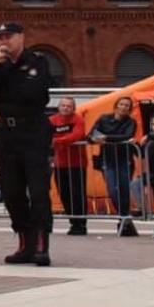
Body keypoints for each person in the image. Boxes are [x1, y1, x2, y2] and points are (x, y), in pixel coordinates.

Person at [0, 21, 55, 266]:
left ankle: (42, 244)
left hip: (33, 132)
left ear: (21, 37)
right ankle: (25, 243)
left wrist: (6, 78)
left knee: (39, 191)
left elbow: (31, 93)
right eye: (0, 38)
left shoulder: (37, 61)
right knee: (12, 193)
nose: (3, 42)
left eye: (8, 37)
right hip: (8, 135)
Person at [89, 96, 140, 237]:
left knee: (124, 191)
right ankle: (125, 219)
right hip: (107, 160)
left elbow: (127, 136)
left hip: (125, 160)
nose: (123, 107)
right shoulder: (103, 118)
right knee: (112, 191)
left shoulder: (131, 122)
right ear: (116, 105)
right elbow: (91, 135)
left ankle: (123, 221)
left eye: (127, 105)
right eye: (121, 104)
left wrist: (105, 137)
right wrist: (98, 138)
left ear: (129, 109)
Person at [48, 97, 90, 236]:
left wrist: (57, 141)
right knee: (64, 194)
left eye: (69, 106)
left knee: (78, 194)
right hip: (60, 163)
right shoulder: (52, 120)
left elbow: (77, 135)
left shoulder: (78, 119)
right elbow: (46, 135)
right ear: (58, 107)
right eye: (63, 105)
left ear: (73, 108)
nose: (65, 108)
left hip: (77, 163)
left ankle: (81, 223)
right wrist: (57, 142)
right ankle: (73, 221)